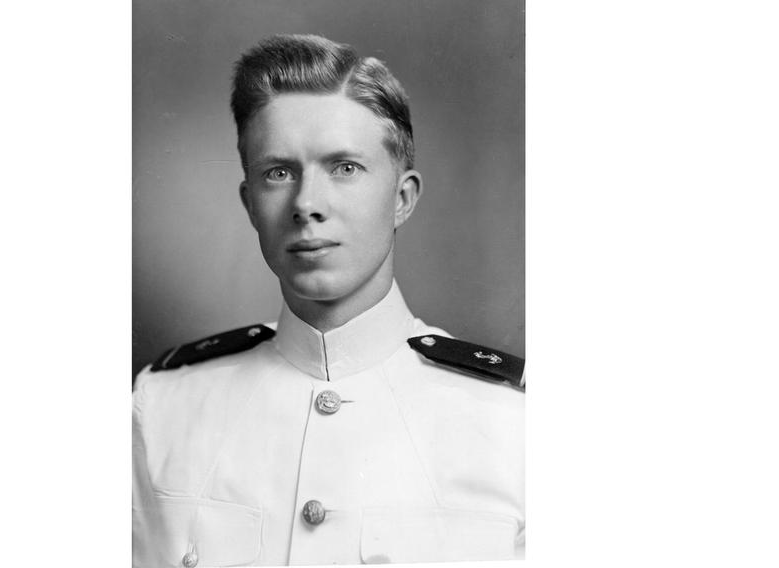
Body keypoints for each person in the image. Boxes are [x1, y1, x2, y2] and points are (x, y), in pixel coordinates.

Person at [133, 34, 524, 566]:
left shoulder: (515, 424)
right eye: (278, 173)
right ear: (250, 203)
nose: (307, 204)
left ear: (402, 199)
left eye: (344, 168)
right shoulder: (159, 412)